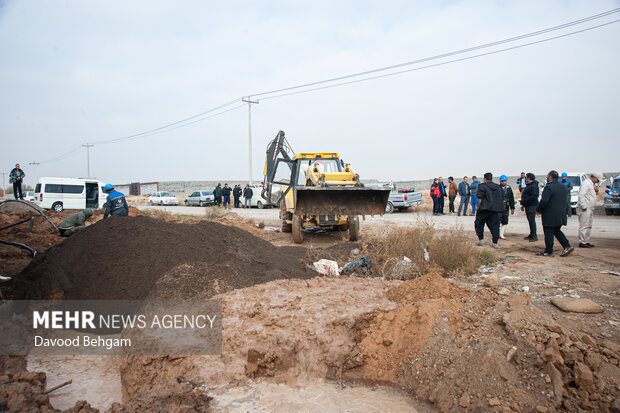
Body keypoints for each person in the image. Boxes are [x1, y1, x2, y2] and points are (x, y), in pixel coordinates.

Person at [535, 170, 574, 257]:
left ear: (550, 177)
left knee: (548, 232)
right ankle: (567, 245)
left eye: (548, 176)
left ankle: (549, 251)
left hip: (550, 214)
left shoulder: (549, 187)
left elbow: (544, 201)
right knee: (556, 231)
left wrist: (538, 209)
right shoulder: (563, 187)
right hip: (560, 213)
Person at [474, 173, 504, 248]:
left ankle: (481, 239)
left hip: (484, 208)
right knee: (495, 225)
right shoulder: (497, 187)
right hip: (494, 209)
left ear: (485, 178)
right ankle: (495, 242)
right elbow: (501, 198)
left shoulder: (482, 186)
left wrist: (478, 207)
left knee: (479, 223)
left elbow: (479, 198)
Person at [576, 172, 603, 248]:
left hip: (590, 208)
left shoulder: (591, 184)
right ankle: (582, 241)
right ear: (594, 177)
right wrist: (583, 206)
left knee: (589, 225)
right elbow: (581, 195)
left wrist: (596, 190)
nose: (597, 182)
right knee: (584, 225)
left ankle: (586, 240)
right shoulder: (586, 183)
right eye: (597, 180)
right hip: (585, 208)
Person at [520, 173, 539, 241]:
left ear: (529, 178)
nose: (525, 179)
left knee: (532, 220)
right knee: (530, 220)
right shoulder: (530, 185)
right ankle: (532, 234)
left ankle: (534, 235)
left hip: (532, 205)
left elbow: (534, 196)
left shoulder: (533, 186)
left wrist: (525, 200)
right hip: (528, 205)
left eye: (526, 177)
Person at [498, 175, 515, 239]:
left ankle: (501, 234)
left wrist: (512, 207)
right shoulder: (497, 188)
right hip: (499, 207)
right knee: (497, 221)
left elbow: (511, 198)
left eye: (504, 181)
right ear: (500, 181)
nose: (503, 182)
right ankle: (497, 233)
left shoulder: (509, 188)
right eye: (502, 181)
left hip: (506, 207)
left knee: (505, 221)